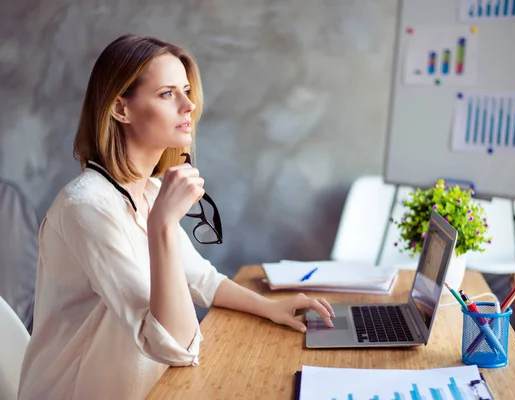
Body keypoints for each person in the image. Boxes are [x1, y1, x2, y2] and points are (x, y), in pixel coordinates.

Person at [18, 34, 334, 400]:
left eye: (186, 90)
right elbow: (175, 345)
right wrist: (163, 225)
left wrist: (272, 307)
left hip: (151, 387)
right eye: (167, 93)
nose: (189, 105)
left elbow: (201, 279)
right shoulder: (86, 207)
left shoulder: (148, 190)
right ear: (121, 109)